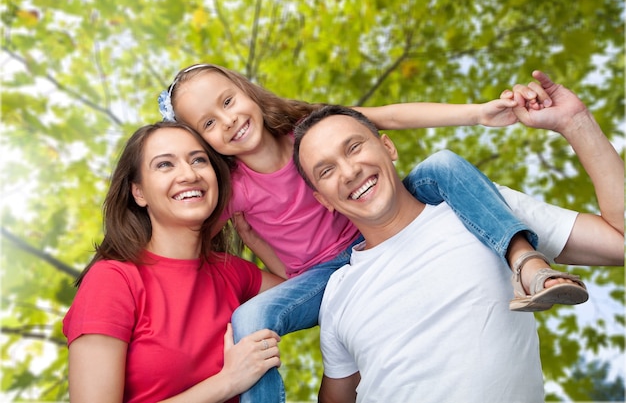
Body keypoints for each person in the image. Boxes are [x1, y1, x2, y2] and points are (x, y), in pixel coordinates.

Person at [157, 64, 610, 402]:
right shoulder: (232, 189)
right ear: (204, 142)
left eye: (228, 101)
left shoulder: (306, 129)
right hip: (324, 277)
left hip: (376, 227)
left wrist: (476, 113)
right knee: (249, 320)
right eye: (209, 124)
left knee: (441, 165)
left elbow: (390, 114)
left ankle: (525, 263)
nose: (228, 120)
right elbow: (195, 235)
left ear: (245, 90)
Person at [292, 71, 624, 402]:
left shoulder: (486, 210)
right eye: (326, 170)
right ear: (322, 199)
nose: (349, 172)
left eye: (353, 148)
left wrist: (575, 122)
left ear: (388, 146)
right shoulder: (336, 292)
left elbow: (618, 242)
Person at [62, 122, 285, 403]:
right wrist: (228, 381)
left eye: (198, 160)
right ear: (139, 193)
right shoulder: (112, 280)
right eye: (165, 165)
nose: (189, 174)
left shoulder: (230, 271)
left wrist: (255, 241)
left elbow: (303, 291)